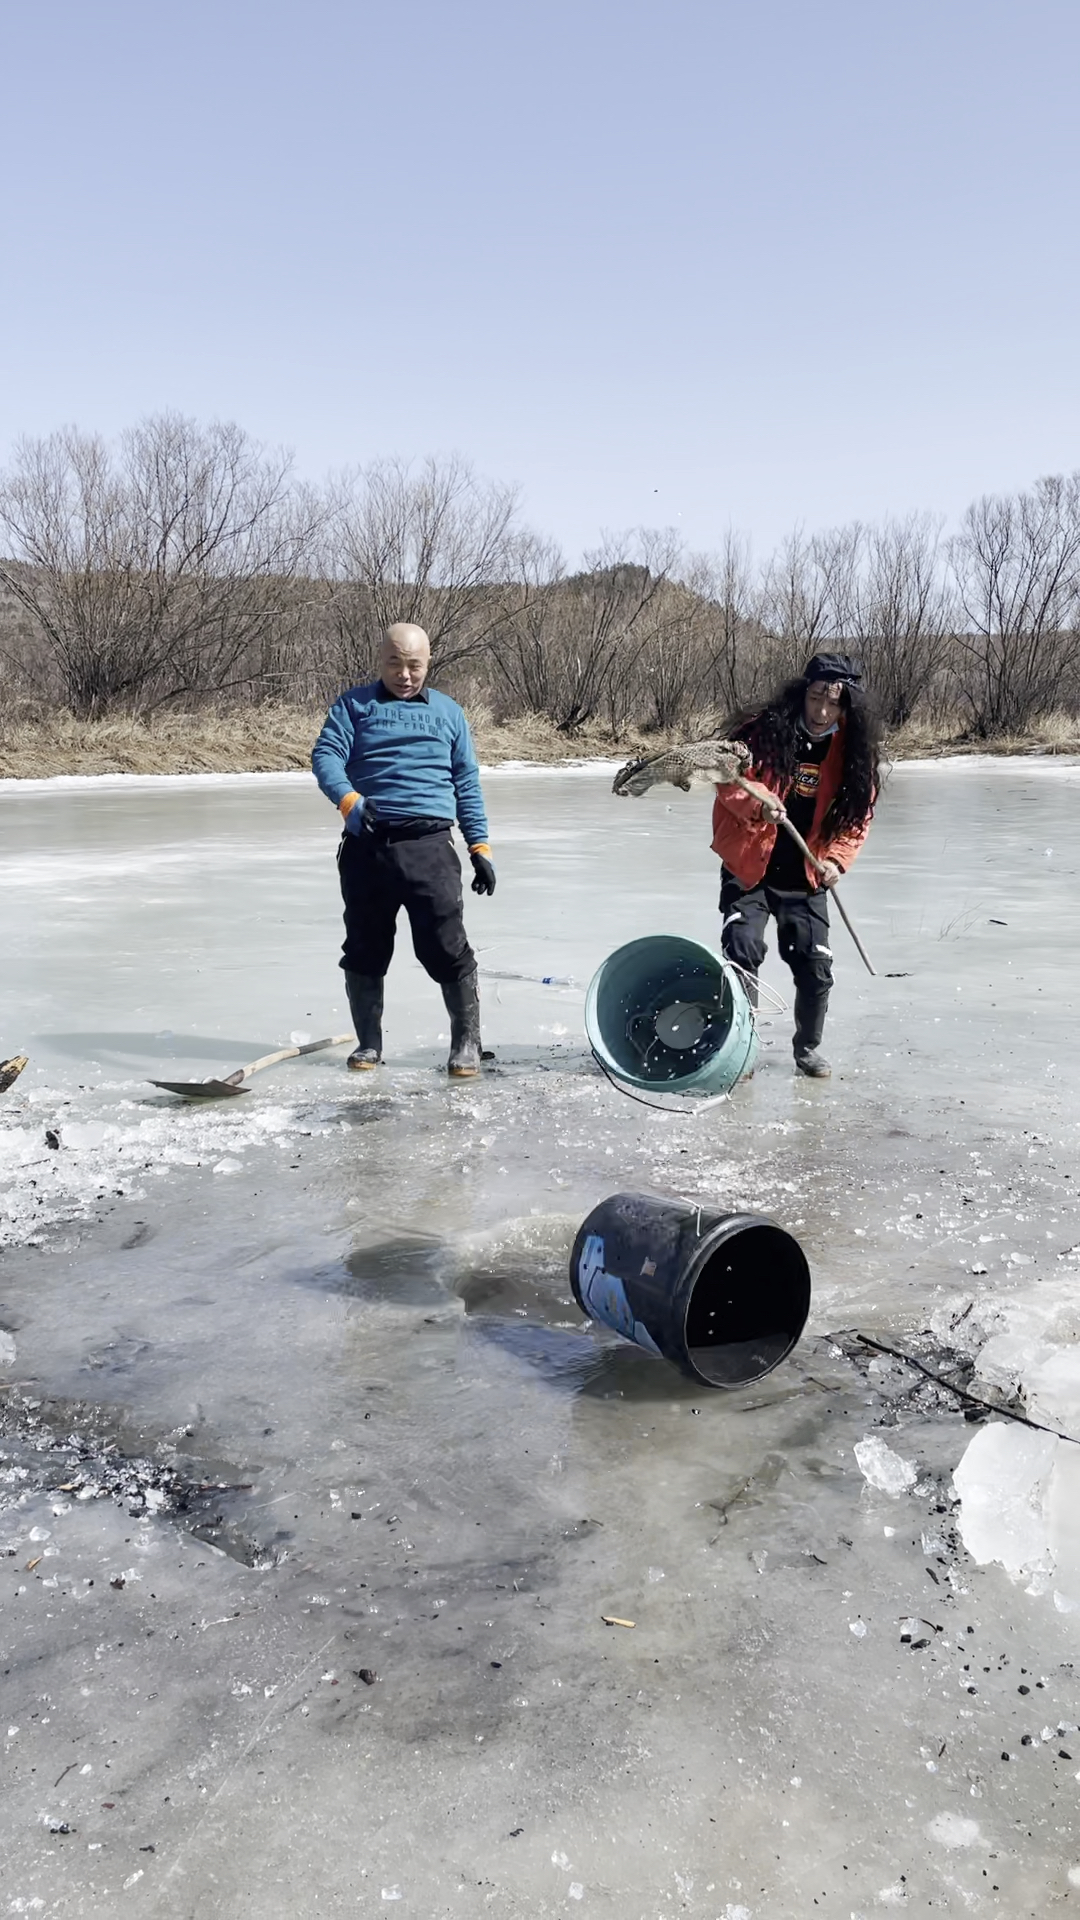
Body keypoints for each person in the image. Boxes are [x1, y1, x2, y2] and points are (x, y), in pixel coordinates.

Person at [311, 622, 496, 1079]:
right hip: (367, 847)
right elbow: (326, 756)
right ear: (380, 661)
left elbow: (466, 783)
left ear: (428, 663)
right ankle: (368, 1044)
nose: (405, 674)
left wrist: (480, 845)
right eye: (395, 662)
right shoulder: (354, 706)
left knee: (445, 946)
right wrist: (349, 800)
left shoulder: (450, 713)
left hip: (430, 848)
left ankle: (466, 1043)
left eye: (414, 664)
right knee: (364, 947)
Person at [711, 652, 881, 1078]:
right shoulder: (760, 732)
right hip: (750, 865)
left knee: (814, 964)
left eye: (834, 701)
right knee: (742, 948)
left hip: (806, 873)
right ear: (801, 694)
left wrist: (837, 862)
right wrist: (758, 806)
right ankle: (742, 1045)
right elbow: (726, 779)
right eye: (816, 697)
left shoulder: (855, 753)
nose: (823, 711)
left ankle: (807, 1048)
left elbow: (858, 818)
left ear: (846, 705)